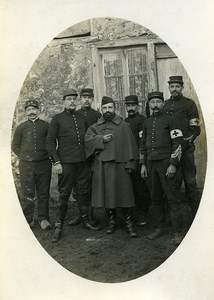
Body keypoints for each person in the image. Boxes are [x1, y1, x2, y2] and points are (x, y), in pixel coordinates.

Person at [46, 89, 101, 243]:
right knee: (64, 194)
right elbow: (50, 143)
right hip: (66, 163)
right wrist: (56, 162)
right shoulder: (57, 119)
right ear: (64, 101)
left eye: (73, 99)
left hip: (82, 162)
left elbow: (86, 139)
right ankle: (58, 226)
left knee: (83, 192)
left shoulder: (80, 117)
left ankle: (85, 220)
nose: (71, 102)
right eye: (68, 99)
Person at [85, 96, 139, 237]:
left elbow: (131, 146)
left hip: (121, 166)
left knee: (125, 195)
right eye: (104, 108)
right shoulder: (95, 127)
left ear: (115, 108)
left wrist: (131, 163)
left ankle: (129, 224)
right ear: (101, 109)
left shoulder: (123, 125)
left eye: (110, 107)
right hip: (103, 167)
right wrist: (100, 139)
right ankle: (112, 222)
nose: (107, 110)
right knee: (108, 195)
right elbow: (87, 141)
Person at [140, 91, 184, 244]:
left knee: (172, 197)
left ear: (163, 103)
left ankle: (177, 231)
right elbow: (142, 146)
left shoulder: (172, 120)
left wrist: (173, 164)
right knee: (155, 197)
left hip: (167, 164)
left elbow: (178, 143)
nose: (155, 105)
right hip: (151, 165)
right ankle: (159, 228)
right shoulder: (147, 122)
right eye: (152, 102)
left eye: (158, 102)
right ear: (149, 104)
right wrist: (143, 164)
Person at [163, 76, 201, 219]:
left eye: (177, 86)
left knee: (190, 182)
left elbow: (195, 129)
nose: (174, 89)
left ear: (182, 88)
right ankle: (174, 220)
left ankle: (196, 217)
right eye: (172, 86)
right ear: (169, 88)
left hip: (186, 151)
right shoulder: (165, 105)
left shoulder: (189, 104)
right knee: (172, 184)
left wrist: (184, 144)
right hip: (170, 151)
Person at [12, 99, 52, 230]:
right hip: (26, 165)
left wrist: (44, 156)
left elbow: (50, 143)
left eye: (33, 109)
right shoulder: (21, 128)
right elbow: (15, 146)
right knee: (27, 193)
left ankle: (43, 218)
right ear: (26, 112)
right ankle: (28, 219)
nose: (31, 112)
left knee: (43, 192)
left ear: (38, 110)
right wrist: (25, 157)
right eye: (28, 110)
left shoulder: (46, 126)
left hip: (44, 164)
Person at [69, 88, 101, 226]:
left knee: (90, 186)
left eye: (89, 97)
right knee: (77, 187)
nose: (87, 99)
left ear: (92, 99)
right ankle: (80, 214)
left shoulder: (97, 115)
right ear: (80, 99)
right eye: (84, 97)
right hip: (77, 156)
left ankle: (90, 214)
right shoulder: (75, 115)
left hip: (92, 156)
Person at [124, 95, 150, 226]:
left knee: (141, 188)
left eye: (133, 105)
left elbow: (142, 142)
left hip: (139, 158)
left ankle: (143, 214)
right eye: (128, 106)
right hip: (128, 159)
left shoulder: (142, 121)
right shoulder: (124, 122)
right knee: (130, 187)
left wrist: (142, 161)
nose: (131, 108)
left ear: (138, 106)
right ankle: (133, 214)